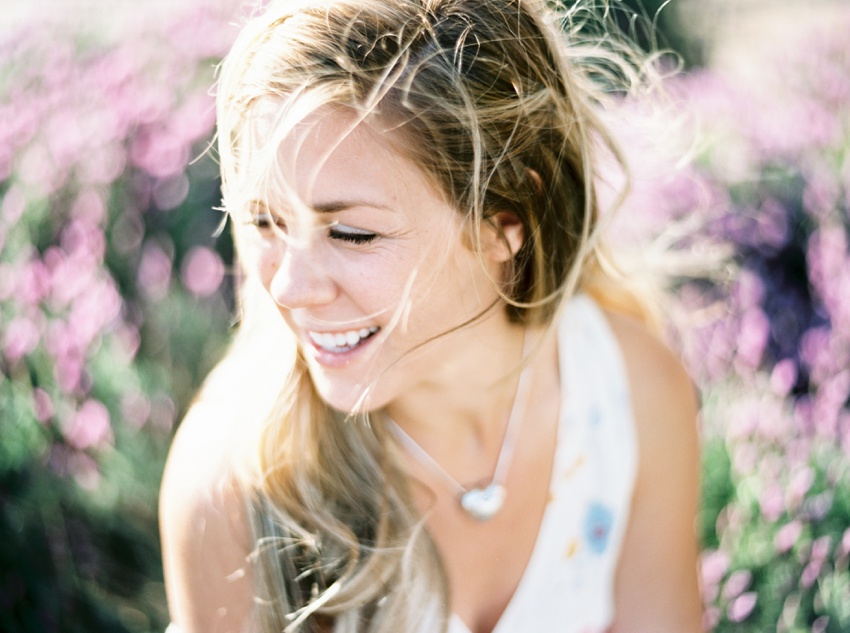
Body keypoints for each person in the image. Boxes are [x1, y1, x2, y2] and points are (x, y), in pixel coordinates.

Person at [159, 0, 703, 631]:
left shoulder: (628, 398)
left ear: (506, 223)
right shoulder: (230, 488)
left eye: (352, 233)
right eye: (264, 222)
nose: (288, 288)